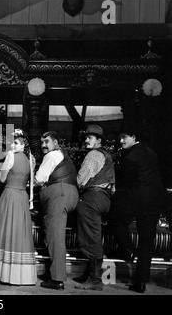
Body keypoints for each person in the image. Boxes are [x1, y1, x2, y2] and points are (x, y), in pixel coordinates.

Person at [108, 125, 171, 293]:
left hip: (137, 200)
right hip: (156, 201)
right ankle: (141, 282)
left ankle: (128, 249)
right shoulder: (151, 152)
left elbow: (126, 183)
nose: (121, 141)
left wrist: (116, 191)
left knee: (113, 219)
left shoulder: (130, 157)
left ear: (134, 137)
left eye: (124, 137)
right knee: (147, 243)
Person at [0, 128, 37, 286]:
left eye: (15, 143)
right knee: (19, 232)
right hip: (22, 196)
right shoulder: (31, 159)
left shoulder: (10, 155)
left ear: (23, 144)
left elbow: (2, 178)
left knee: (6, 231)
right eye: (12, 143)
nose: (12, 145)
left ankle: (4, 274)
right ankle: (20, 276)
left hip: (10, 195)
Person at [35, 131, 79, 290]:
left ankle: (57, 279)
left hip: (59, 194)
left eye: (47, 141)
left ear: (56, 143)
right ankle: (55, 273)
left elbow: (40, 178)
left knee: (55, 237)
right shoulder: (63, 155)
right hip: (70, 194)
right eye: (41, 142)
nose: (43, 145)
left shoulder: (52, 155)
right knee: (56, 235)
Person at [74, 125, 115, 291]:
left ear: (99, 141)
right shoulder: (107, 155)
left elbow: (80, 179)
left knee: (90, 239)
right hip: (104, 198)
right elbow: (113, 187)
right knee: (95, 237)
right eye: (86, 137)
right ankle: (92, 275)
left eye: (90, 138)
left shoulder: (94, 154)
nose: (86, 140)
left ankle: (96, 280)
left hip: (92, 198)